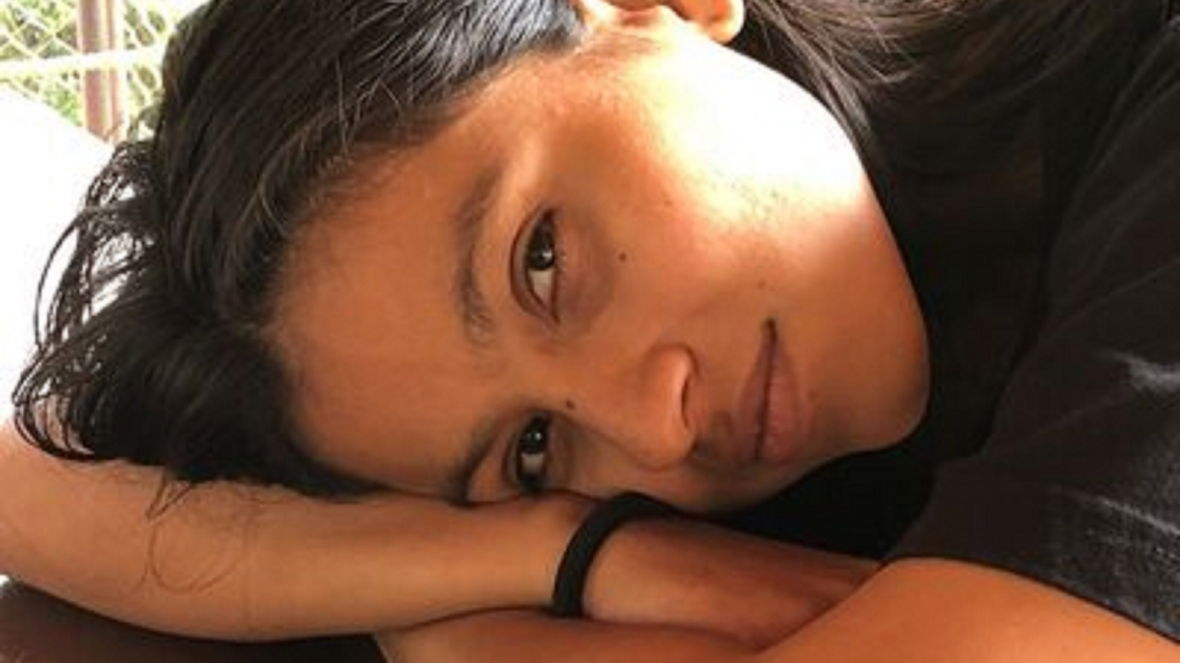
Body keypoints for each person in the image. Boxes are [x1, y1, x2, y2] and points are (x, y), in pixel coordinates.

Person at [1, 0, 1178, 660]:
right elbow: (29, 482)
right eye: (528, 450)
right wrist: (549, 554)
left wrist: (469, 643)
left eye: (541, 262)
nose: (652, 437)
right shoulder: (688, 481)